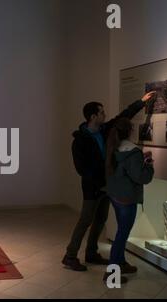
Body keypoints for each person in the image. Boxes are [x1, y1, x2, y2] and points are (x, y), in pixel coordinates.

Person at [62, 92, 156, 271]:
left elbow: (123, 116)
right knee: (85, 220)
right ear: (93, 116)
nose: (105, 115)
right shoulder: (80, 141)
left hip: (107, 186)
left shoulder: (104, 130)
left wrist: (141, 102)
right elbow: (82, 169)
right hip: (93, 188)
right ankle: (70, 255)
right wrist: (100, 182)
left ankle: (91, 253)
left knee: (100, 219)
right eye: (102, 112)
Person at [104, 117, 154, 283]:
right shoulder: (133, 152)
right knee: (122, 235)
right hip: (126, 199)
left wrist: (141, 161)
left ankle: (121, 263)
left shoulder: (112, 147)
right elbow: (141, 177)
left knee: (121, 232)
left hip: (115, 196)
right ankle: (111, 274)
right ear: (130, 131)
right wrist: (148, 165)